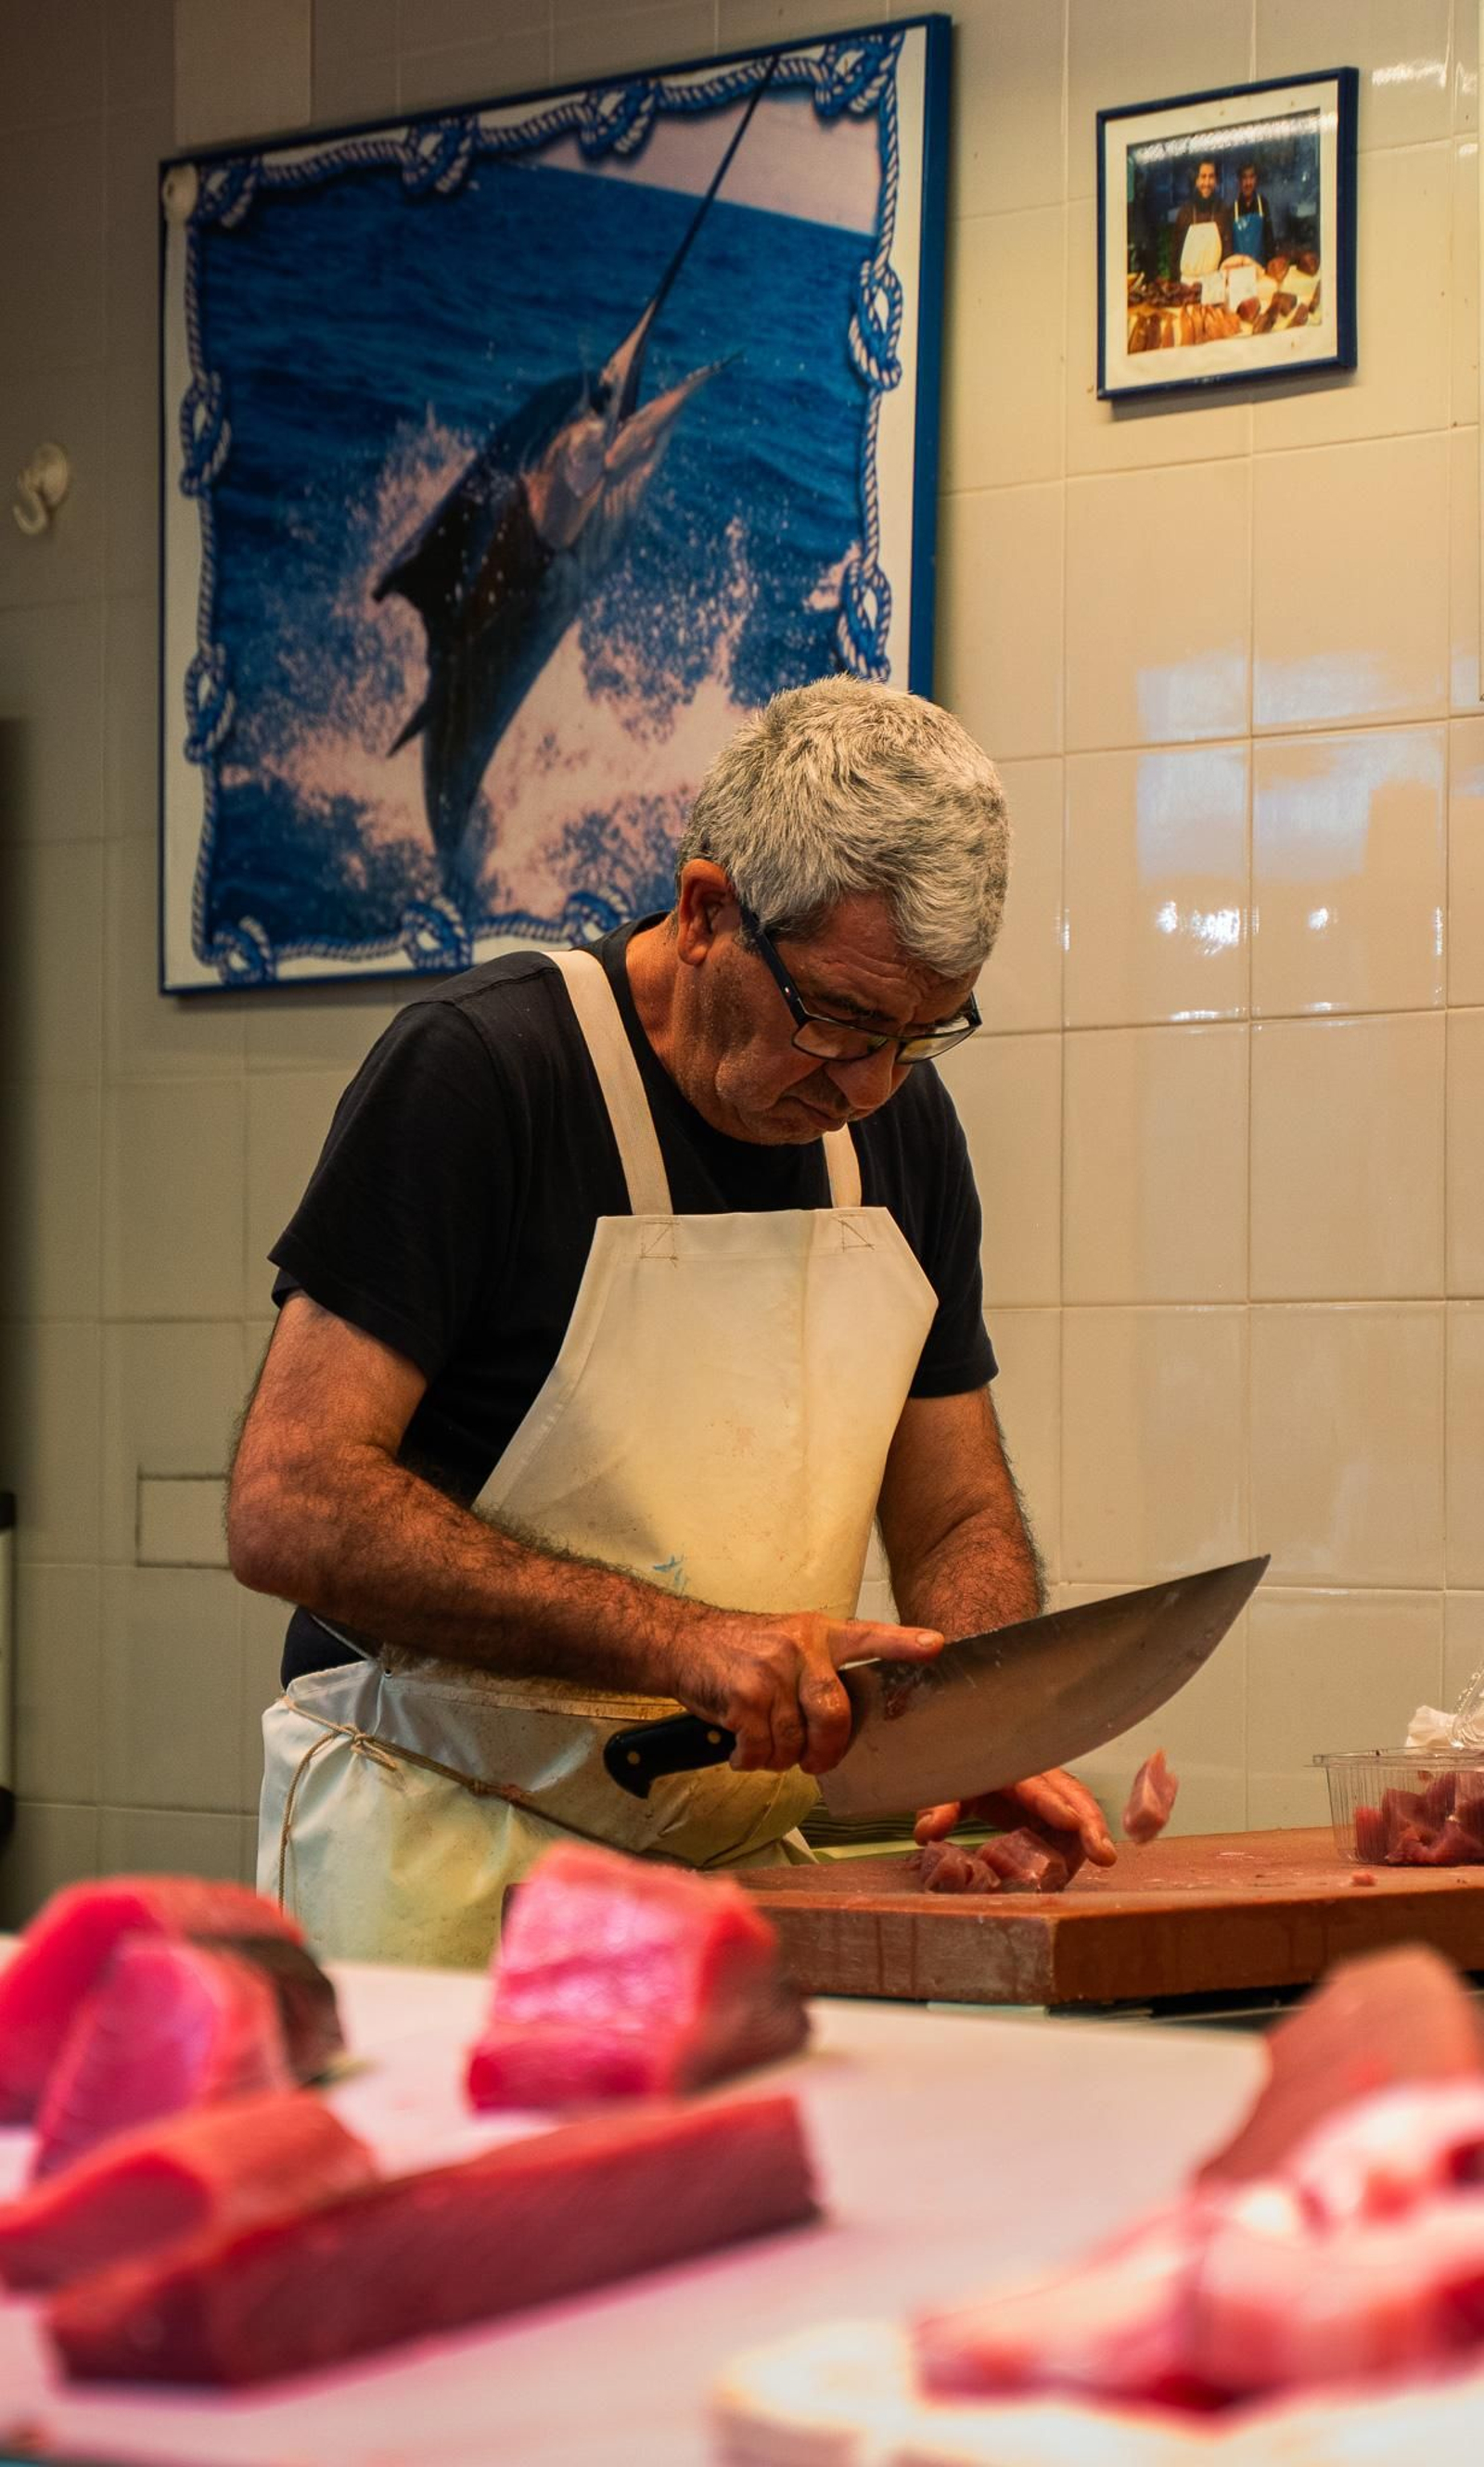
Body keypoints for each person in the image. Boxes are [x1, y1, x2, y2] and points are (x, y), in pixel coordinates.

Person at [230, 678, 1115, 1964]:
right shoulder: (483, 1076)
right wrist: (680, 1643)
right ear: (708, 913)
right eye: (840, 1020)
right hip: (444, 1860)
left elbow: (958, 1515)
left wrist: (983, 1732)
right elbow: (291, 1499)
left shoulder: (897, 1130)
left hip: (740, 1883)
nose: (867, 1086)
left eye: (921, 1037)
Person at [1172, 156, 1231, 282]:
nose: (1207, 183)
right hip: (1187, 287)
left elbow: (1228, 255)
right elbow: (1175, 256)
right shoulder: (1184, 213)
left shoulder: (1223, 211)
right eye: (1203, 177)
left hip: (1214, 285)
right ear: (1196, 180)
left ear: (1216, 181)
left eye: (1211, 177)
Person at [1225, 161, 1275, 269]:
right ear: (1239, 181)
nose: (1248, 183)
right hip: (1239, 270)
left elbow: (1269, 238)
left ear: (1256, 179)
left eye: (1251, 177)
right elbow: (1229, 247)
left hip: (1260, 268)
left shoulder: (1263, 203)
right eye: (1244, 178)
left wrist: (1272, 263)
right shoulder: (1232, 209)